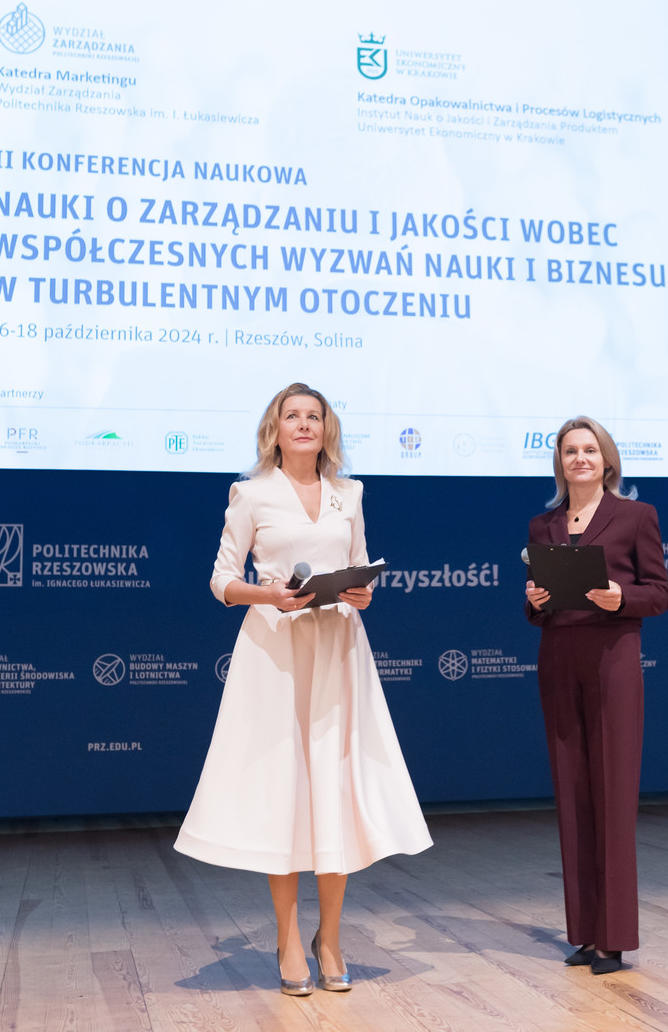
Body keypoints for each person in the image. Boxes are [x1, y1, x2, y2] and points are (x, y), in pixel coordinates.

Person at [175, 382, 431, 997]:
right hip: (276, 651)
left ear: (326, 429)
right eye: (292, 415)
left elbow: (362, 567)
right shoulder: (251, 494)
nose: (304, 424)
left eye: (313, 415)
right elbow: (221, 580)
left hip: (339, 648)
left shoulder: (351, 494)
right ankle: (289, 940)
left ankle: (331, 938)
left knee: (335, 789)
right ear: (276, 429)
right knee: (284, 792)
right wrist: (270, 594)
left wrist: (362, 592)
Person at [524, 416, 668, 975]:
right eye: (570, 451)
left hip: (613, 658)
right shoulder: (544, 525)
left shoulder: (636, 516)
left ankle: (614, 937)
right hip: (559, 658)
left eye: (589, 449)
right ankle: (585, 932)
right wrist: (535, 600)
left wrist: (620, 597)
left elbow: (659, 593)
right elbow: (536, 609)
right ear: (559, 462)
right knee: (572, 792)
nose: (579, 458)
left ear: (606, 460)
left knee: (613, 795)